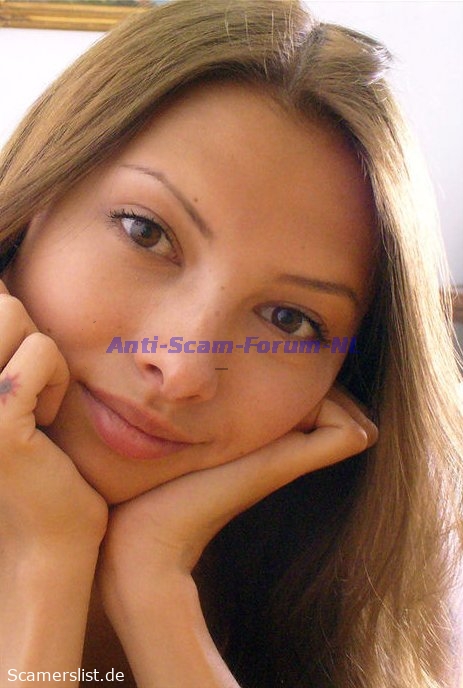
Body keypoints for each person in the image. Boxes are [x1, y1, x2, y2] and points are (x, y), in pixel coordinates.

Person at [0, 0, 461, 685]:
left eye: (288, 319)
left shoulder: (376, 595)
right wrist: (44, 562)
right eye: (145, 233)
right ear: (33, 205)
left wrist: (155, 592)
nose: (182, 368)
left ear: (345, 377)